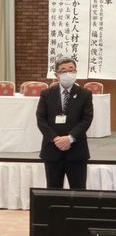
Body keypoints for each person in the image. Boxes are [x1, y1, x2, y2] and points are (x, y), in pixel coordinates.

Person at [36, 57, 93, 189]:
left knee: (78, 191)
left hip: (77, 150)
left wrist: (70, 138)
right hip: (52, 150)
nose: (68, 73)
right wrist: (56, 139)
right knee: (53, 192)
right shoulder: (46, 94)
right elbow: (41, 119)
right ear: (56, 74)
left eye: (71, 70)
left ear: (76, 72)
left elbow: (87, 119)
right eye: (63, 71)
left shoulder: (85, 94)